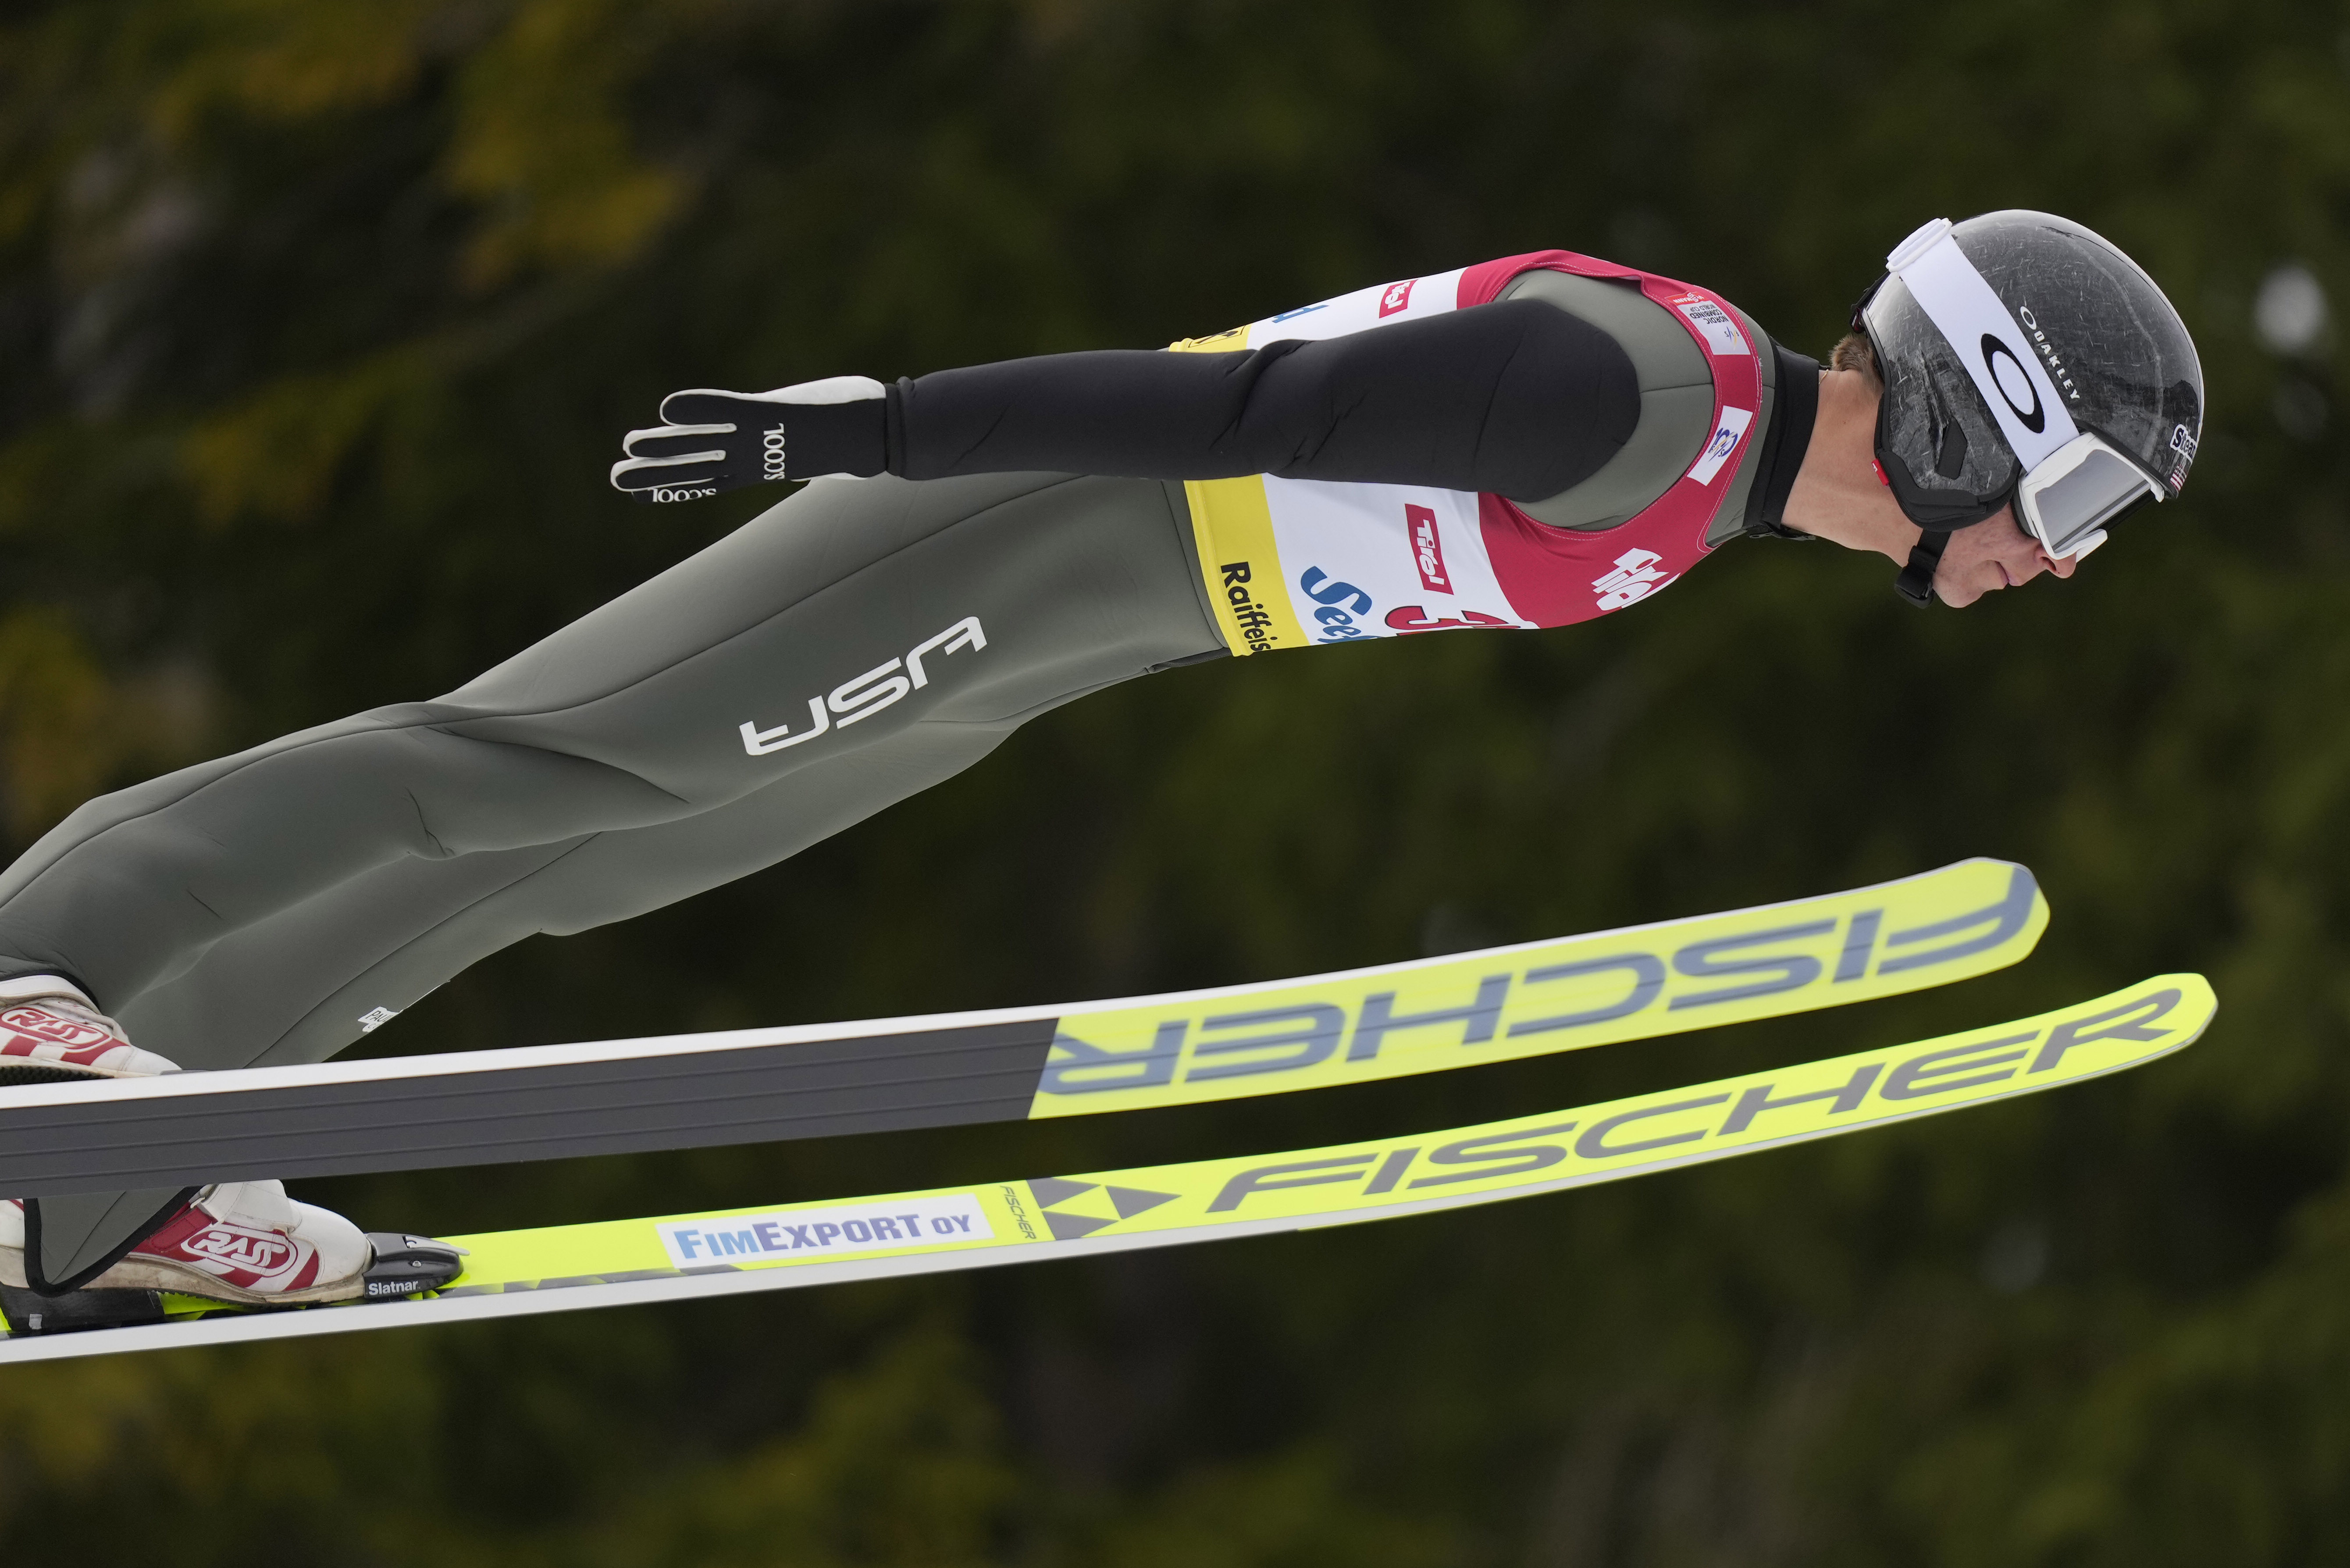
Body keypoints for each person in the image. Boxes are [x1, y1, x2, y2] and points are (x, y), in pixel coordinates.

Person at [0, 210, 2203, 1311]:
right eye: (2078, 505)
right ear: (1962, 410)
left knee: (576, 862)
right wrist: (870, 430)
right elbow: (1225, 413)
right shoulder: (1633, 396)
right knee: (536, 763)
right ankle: (40, 969)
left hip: (1062, 637)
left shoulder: (1700, 498)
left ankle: (112, 1181)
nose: (2062, 563)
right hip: (1018, 535)